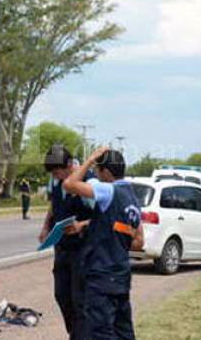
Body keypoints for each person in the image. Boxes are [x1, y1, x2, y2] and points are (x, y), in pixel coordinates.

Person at [63, 147, 144, 340]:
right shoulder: (133, 198)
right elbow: (138, 242)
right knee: (123, 331)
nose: (97, 176)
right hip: (121, 276)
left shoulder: (108, 190)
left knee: (100, 333)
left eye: (98, 172)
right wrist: (87, 225)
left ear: (105, 172)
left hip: (101, 276)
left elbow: (69, 184)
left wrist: (90, 159)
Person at [37, 145, 93, 340]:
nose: (55, 176)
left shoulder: (88, 180)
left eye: (58, 172)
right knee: (61, 294)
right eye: (52, 173)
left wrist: (81, 225)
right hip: (62, 247)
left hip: (83, 249)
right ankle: (76, 333)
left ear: (70, 165)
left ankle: (80, 336)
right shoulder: (55, 180)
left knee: (79, 299)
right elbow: (53, 205)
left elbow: (102, 217)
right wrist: (45, 227)